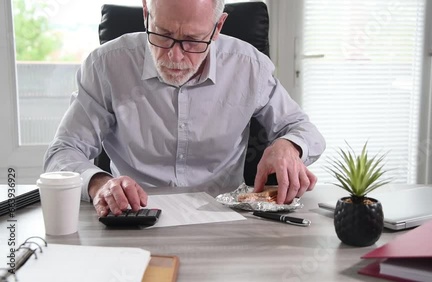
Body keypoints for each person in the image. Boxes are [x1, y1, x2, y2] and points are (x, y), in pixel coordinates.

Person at [43, 0, 326, 216]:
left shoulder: (249, 67)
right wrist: (99, 184)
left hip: (224, 217)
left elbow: (305, 130)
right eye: (163, 35)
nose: (174, 56)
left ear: (218, 28)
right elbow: (62, 152)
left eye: (192, 40)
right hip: (135, 217)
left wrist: (289, 146)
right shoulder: (105, 66)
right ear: (146, 13)